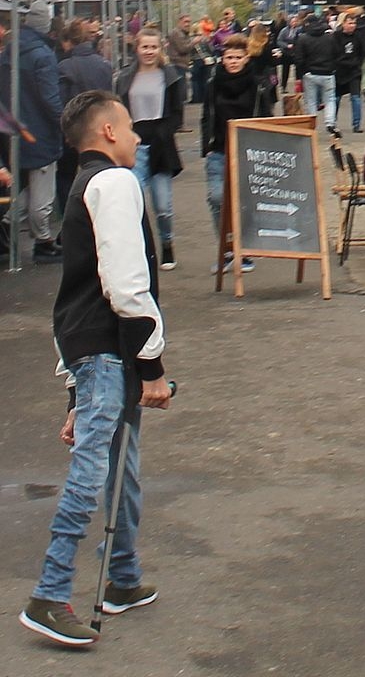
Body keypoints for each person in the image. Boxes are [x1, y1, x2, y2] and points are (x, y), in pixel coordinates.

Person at [18, 90, 172, 649]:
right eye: (128, 126)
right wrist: (151, 364)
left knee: (120, 463)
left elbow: (76, 291)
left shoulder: (84, 185)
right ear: (107, 131)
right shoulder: (115, 182)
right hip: (110, 348)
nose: (136, 136)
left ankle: (123, 577)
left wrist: (74, 393)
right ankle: (49, 593)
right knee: (93, 468)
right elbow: (125, 282)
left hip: (94, 348)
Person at [0, 0, 65, 263]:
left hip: (14, 132)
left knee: (25, 187)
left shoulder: (8, 51)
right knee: (42, 191)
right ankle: (43, 242)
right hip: (41, 133)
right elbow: (50, 99)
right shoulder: (43, 55)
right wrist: (65, 124)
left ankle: (7, 223)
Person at [115, 28, 185, 271]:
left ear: (160, 48)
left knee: (162, 207)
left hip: (161, 146)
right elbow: (118, 110)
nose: (149, 51)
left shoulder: (171, 76)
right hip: (134, 146)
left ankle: (167, 242)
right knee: (133, 203)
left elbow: (177, 114)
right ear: (137, 48)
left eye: (153, 47)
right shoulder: (125, 77)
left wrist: (164, 132)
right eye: (145, 47)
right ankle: (140, 250)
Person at [201, 34, 267, 273]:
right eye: (229, 57)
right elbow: (207, 115)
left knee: (245, 202)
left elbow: (265, 116)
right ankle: (227, 249)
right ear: (223, 58)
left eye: (238, 57)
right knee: (217, 198)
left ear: (246, 58)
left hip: (247, 150)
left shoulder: (257, 85)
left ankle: (244, 251)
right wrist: (207, 147)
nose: (233, 62)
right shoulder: (213, 83)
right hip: (219, 150)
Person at [57, 19, 117, 211]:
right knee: (97, 173)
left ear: (68, 42)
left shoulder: (64, 66)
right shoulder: (104, 64)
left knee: (66, 175)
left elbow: (62, 101)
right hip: (99, 128)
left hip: (74, 130)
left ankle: (71, 214)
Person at [331, 10, 365, 134]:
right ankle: (332, 122)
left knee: (356, 98)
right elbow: (334, 53)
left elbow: (363, 52)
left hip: (354, 71)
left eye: (354, 23)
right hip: (340, 71)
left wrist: (357, 63)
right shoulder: (336, 36)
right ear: (343, 24)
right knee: (336, 99)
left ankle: (356, 124)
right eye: (350, 23)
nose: (352, 26)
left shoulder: (359, 36)